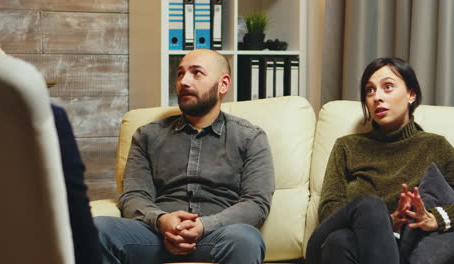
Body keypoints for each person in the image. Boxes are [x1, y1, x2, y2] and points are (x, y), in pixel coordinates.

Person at [94, 48, 275, 264]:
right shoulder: (147, 136)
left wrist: (203, 226)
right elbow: (134, 196)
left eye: (196, 73)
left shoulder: (250, 137)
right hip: (155, 237)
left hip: (217, 237)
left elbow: (256, 203)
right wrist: (162, 221)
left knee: (246, 239)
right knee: (98, 229)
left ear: (223, 84)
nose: (184, 82)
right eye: (180, 74)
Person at [306, 57, 454, 264]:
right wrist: (384, 222)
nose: (377, 97)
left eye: (388, 87)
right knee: (369, 206)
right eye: (370, 90)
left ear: (411, 95)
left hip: (398, 248)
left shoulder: (436, 146)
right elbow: (329, 208)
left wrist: (435, 218)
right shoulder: (347, 146)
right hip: (331, 238)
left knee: (339, 242)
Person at [52, 104, 102, 264]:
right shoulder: (50, 117)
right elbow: (74, 204)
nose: (183, 82)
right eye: (178, 76)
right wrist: (159, 219)